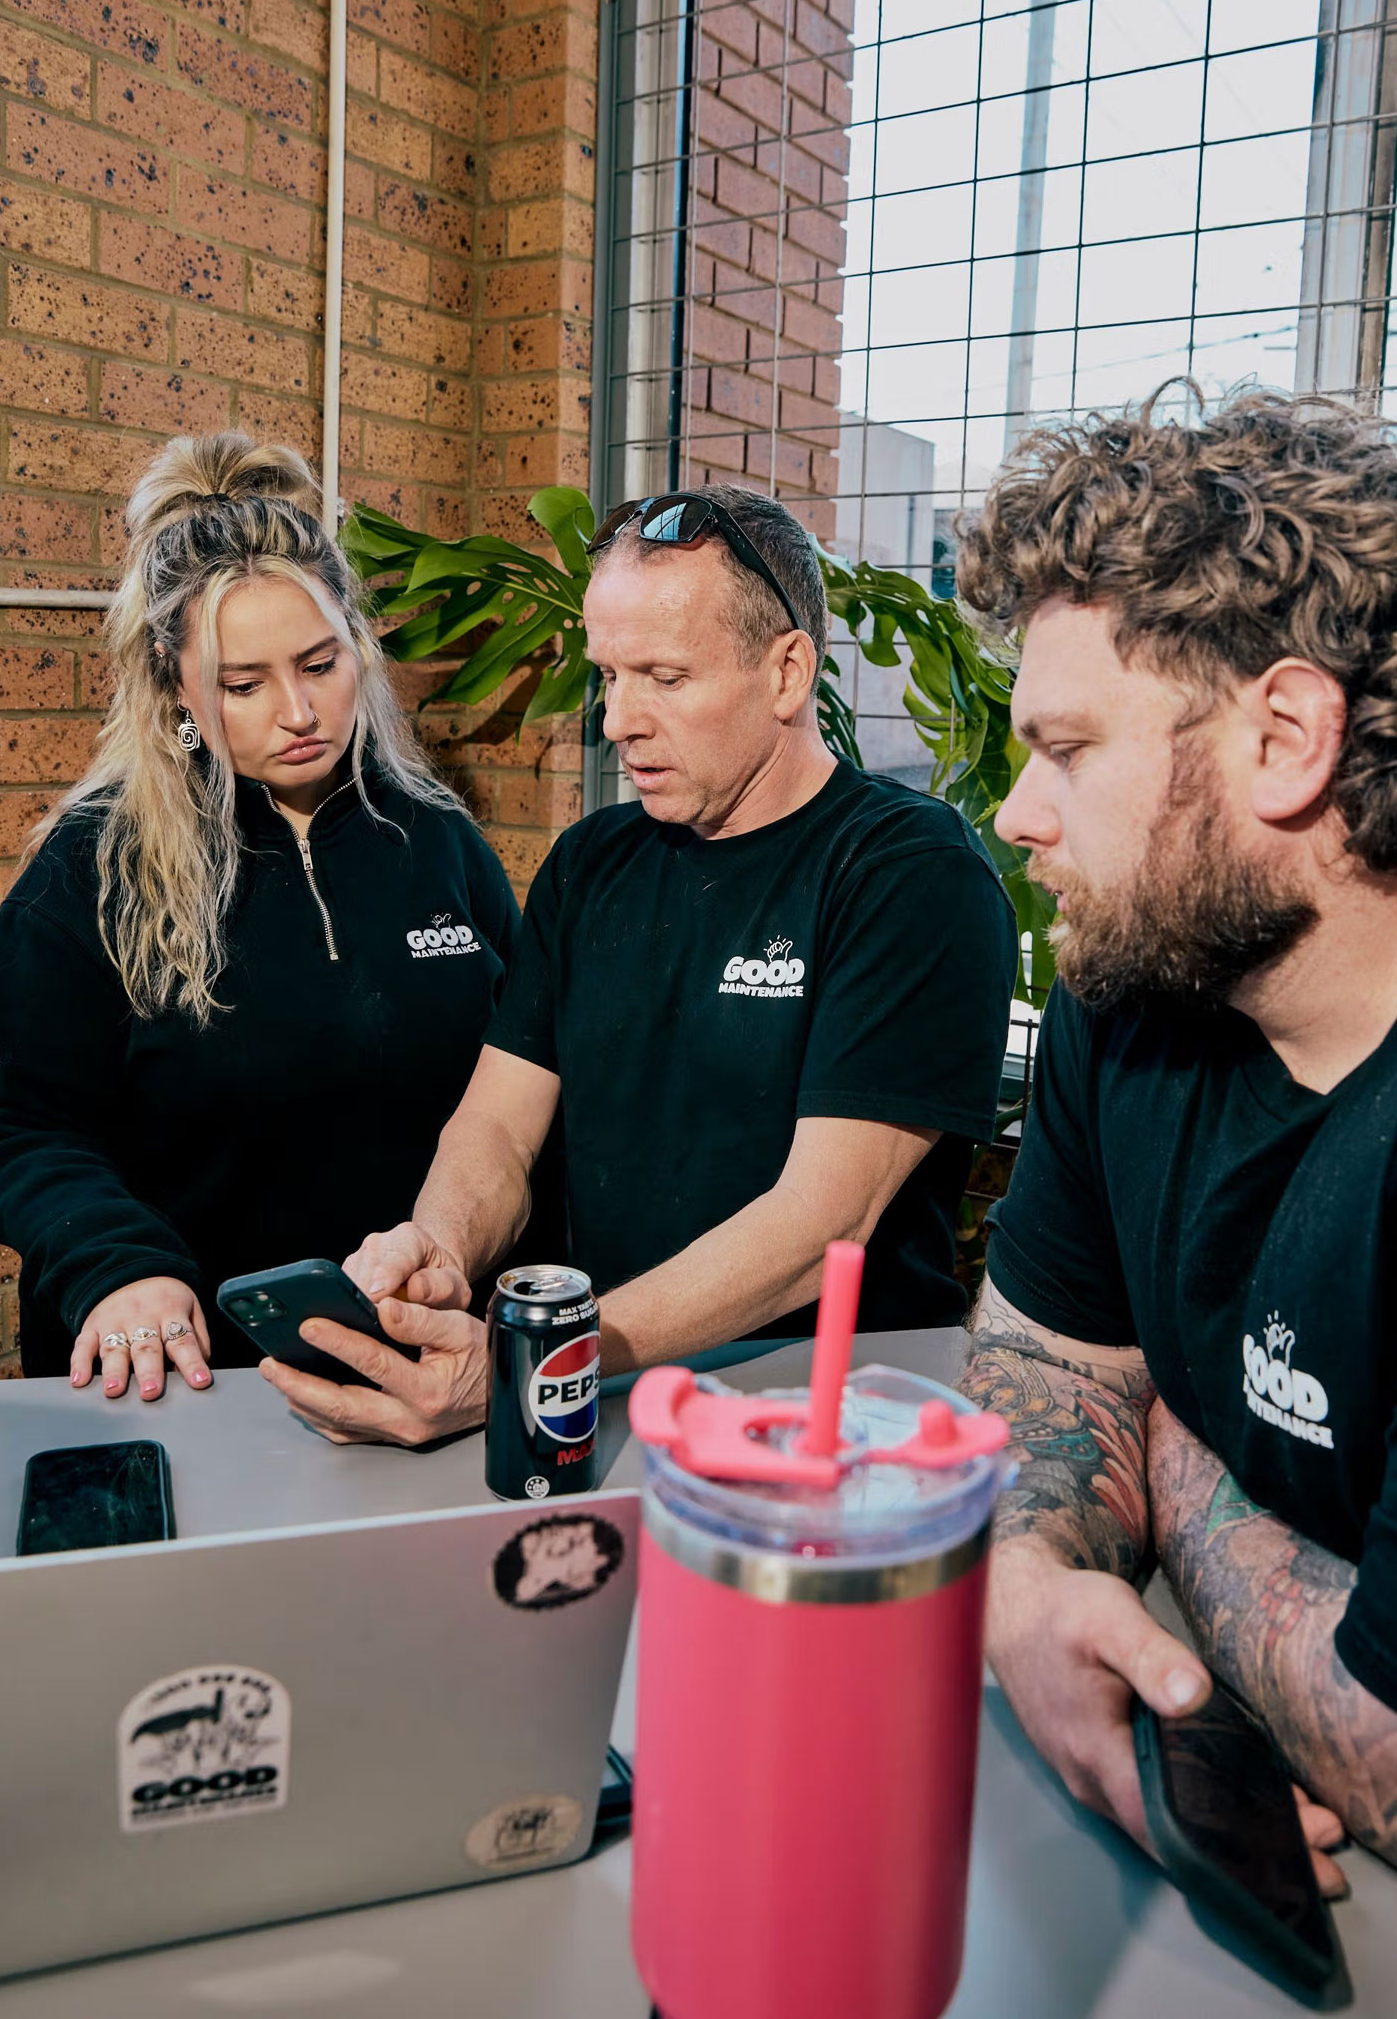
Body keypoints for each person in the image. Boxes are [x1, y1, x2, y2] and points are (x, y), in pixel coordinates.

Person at [954, 388, 1397, 1910]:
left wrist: (1176, 1464)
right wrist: (1028, 1591)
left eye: (1065, 748)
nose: (1015, 810)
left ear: (1288, 737)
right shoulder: (1140, 987)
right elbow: (1052, 1370)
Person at [259, 485, 1018, 1445]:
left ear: (787, 673)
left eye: (663, 676)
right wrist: (441, 1247)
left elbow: (816, 1227)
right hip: (612, 1395)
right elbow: (496, 1126)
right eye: (609, 676)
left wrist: (547, 1351)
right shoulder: (592, 862)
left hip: (829, 1417)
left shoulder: (908, 873)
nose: (619, 719)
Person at [0, 432, 524, 1396]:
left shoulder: (440, 844)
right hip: (192, 1383)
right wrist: (117, 1265)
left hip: (421, 1373)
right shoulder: (93, 869)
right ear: (178, 686)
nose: (298, 710)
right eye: (244, 684)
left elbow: (523, 1083)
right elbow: (18, 1125)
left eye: (319, 664)